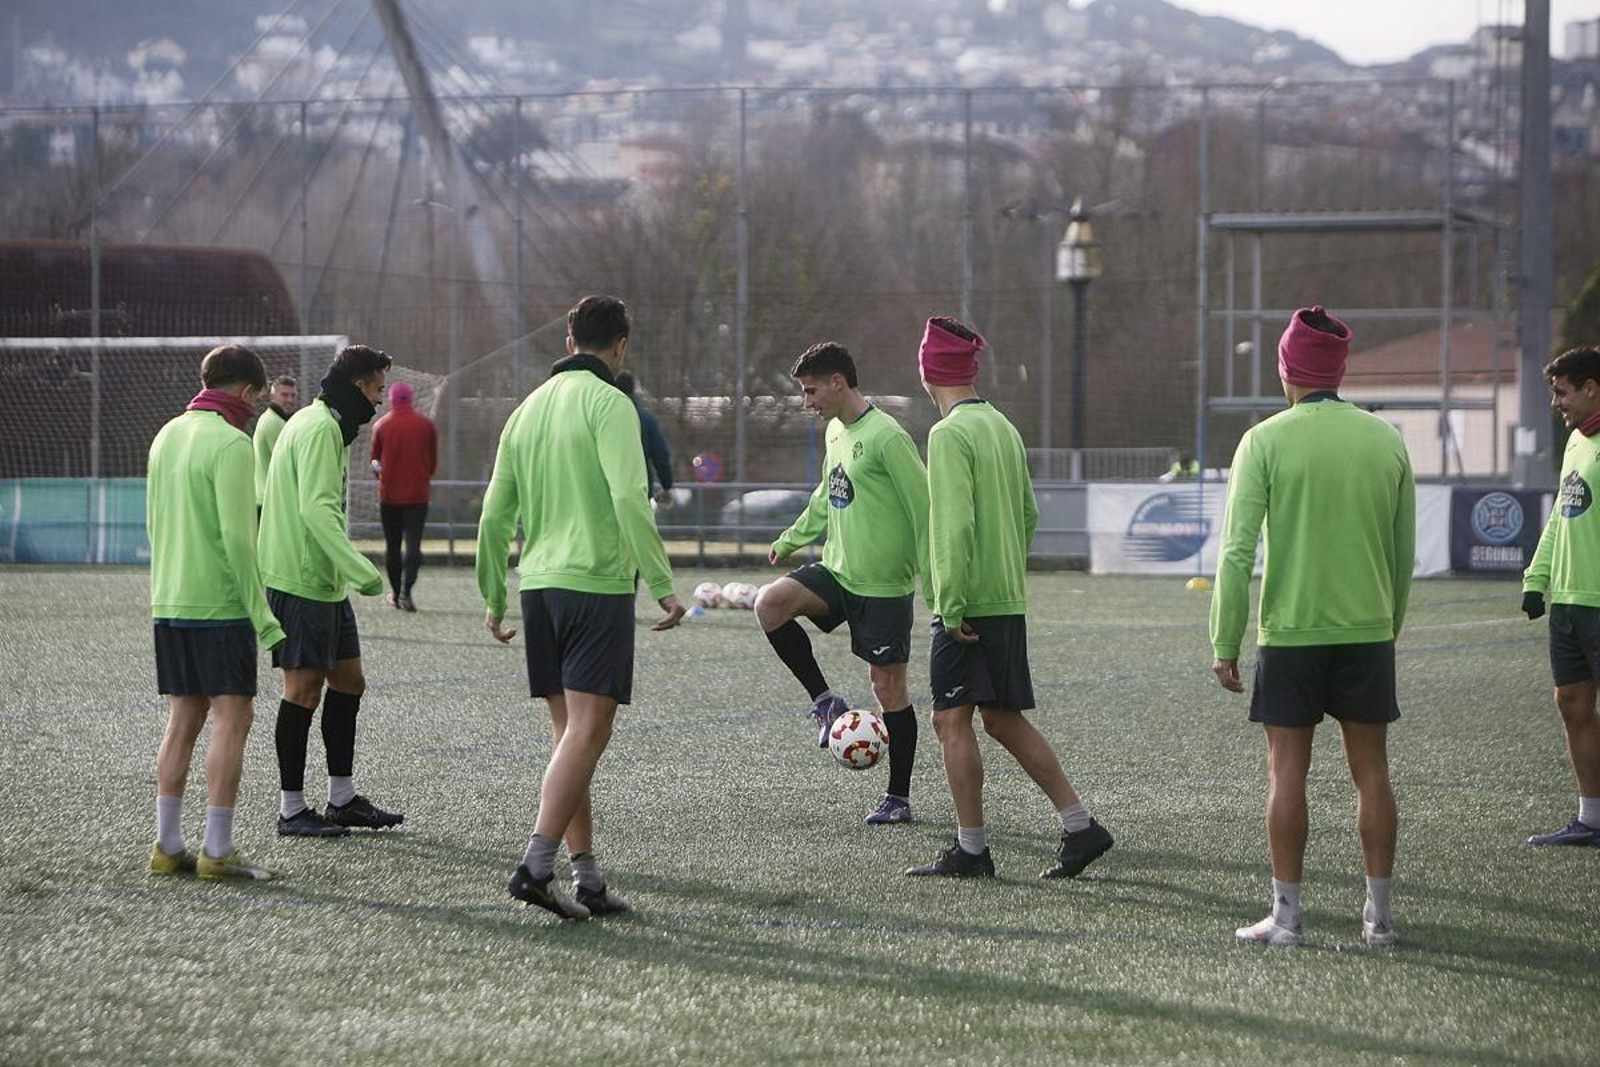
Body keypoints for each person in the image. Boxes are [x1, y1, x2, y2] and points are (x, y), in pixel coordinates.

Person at [1210, 306, 1414, 948]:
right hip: (1366, 630)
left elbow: (1237, 552)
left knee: (1286, 775)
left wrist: (1224, 640)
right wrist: (1388, 626)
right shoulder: (1386, 439)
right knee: (1372, 773)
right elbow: (1401, 553)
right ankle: (1378, 922)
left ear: (1286, 369)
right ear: (1339, 369)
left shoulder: (1264, 440)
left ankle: (1288, 917)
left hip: (1292, 634)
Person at [478, 295, 686, 921]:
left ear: (569, 341)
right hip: (595, 584)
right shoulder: (612, 403)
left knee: (571, 738)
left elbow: (493, 514)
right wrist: (662, 582)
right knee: (588, 734)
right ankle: (535, 867)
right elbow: (631, 496)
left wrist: (492, 594)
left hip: (538, 587)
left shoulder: (526, 410)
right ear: (621, 346)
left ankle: (587, 879)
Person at [905, 316, 1114, 880]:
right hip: (1005, 598)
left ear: (929, 372)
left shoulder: (948, 434)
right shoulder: (1002, 425)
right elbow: (1028, 514)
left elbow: (953, 527)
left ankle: (972, 849)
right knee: (1002, 719)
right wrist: (1004, 574)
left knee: (950, 720)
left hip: (968, 604)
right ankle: (1080, 826)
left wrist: (948, 603)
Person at [756, 341, 930, 825]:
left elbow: (924, 510)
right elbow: (827, 494)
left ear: (838, 382)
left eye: (812, 392)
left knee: (887, 687)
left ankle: (898, 798)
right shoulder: (836, 430)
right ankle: (825, 700)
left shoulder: (886, 437)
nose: (807, 402)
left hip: (883, 585)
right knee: (770, 605)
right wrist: (791, 540)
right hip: (838, 570)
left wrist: (935, 588)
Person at [147, 343, 286, 881]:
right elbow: (237, 539)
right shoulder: (233, 443)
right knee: (235, 717)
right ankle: (218, 849)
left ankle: (167, 844)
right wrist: (266, 620)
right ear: (249, 392)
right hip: (219, 605)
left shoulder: (166, 434)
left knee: (183, 718)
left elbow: (155, 523)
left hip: (171, 598)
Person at [259, 344, 403, 838]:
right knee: (302, 692)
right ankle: (292, 809)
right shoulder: (319, 428)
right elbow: (316, 510)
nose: (380, 400)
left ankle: (341, 799)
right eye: (377, 389)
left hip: (322, 581)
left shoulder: (320, 424)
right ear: (359, 386)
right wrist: (360, 567)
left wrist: (341, 572)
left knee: (349, 682)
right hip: (301, 581)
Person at [1522, 345, 1600, 848]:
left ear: (1591, 387)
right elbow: (1561, 516)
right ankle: (1591, 819)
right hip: (1570, 603)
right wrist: (1536, 577)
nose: (1556, 403)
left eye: (1561, 392)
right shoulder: (1576, 441)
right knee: (1572, 704)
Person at [370, 380, 437, 612]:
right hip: (418, 496)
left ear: (391, 399)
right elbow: (432, 462)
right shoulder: (426, 426)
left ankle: (396, 593)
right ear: (411, 399)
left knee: (393, 546)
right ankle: (408, 591)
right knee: (414, 546)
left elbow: (375, 462)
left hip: (389, 497)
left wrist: (384, 477)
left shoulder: (381, 426)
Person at [614, 370, 675, 507]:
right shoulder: (646, 419)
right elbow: (661, 456)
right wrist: (667, 485)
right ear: (633, 389)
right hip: (639, 489)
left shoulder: (604, 417)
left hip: (608, 489)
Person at [253, 374, 298, 514]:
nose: (289, 400)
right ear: (272, 396)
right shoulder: (273, 423)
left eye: (293, 395)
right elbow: (290, 464)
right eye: (284, 395)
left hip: (269, 499)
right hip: (270, 503)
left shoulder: (278, 420)